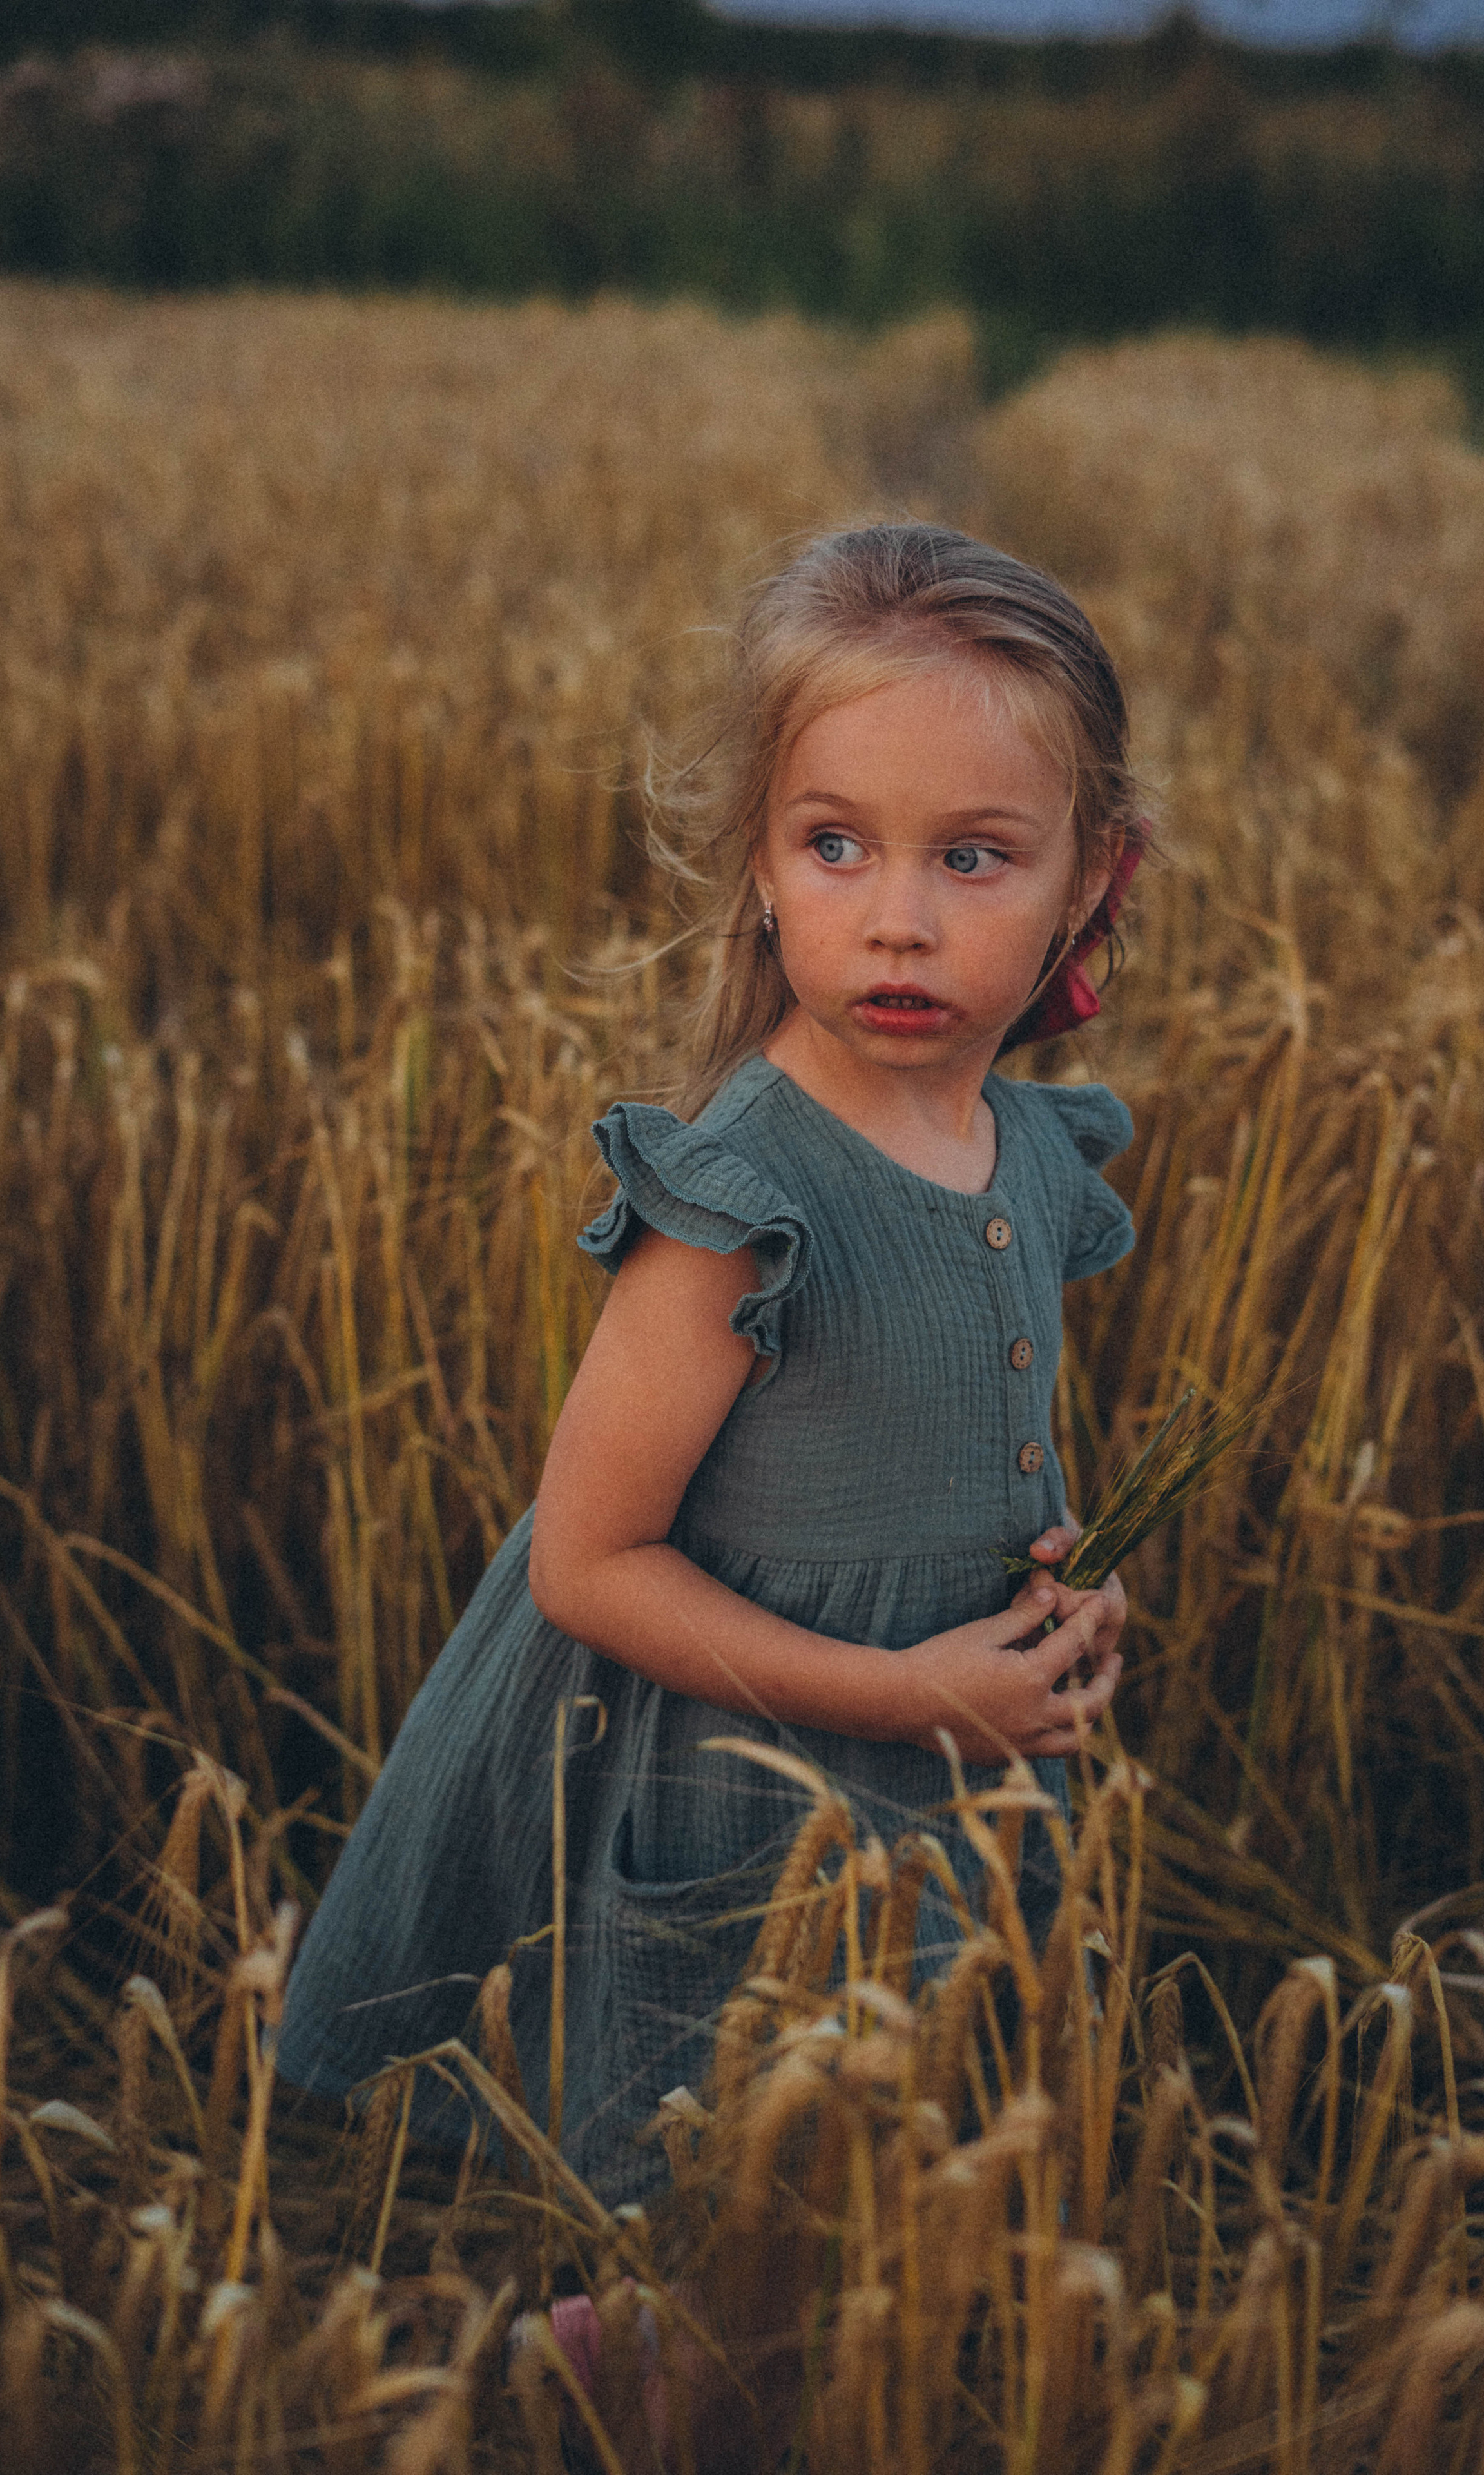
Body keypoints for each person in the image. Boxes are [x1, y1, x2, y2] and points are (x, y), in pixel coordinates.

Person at [276, 521, 1144, 2213]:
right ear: (759, 860)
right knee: (726, 2197)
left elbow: (979, 1448)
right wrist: (905, 1697)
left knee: (892, 2187)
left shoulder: (1031, 1153)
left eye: (976, 858)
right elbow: (589, 1564)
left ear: (1089, 878)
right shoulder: (740, 1200)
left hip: (951, 1771)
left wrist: (1061, 1586)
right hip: (752, 1792)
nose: (899, 921)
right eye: (836, 845)